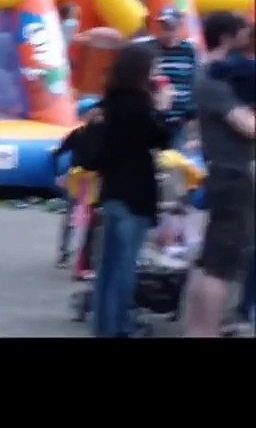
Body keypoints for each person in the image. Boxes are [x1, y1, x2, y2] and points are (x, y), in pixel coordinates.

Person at [90, 43, 172, 338]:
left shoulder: (110, 103)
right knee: (125, 266)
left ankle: (104, 326)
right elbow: (160, 139)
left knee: (108, 267)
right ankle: (120, 327)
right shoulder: (139, 105)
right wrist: (162, 108)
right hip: (134, 193)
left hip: (112, 190)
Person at [184, 11, 255, 337]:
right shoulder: (215, 81)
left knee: (209, 260)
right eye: (242, 33)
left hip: (225, 175)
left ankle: (198, 329)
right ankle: (207, 330)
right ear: (227, 38)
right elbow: (248, 127)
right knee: (221, 265)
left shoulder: (216, 76)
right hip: (233, 176)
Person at [135, 8, 198, 148]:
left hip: (179, 119)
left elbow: (193, 82)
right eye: (163, 26)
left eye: (171, 27)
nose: (167, 31)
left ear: (180, 27)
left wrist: (191, 115)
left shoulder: (189, 50)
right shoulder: (147, 48)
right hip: (152, 117)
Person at [52, 99, 101, 272]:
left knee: (93, 219)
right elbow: (59, 151)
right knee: (72, 216)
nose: (96, 114)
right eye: (92, 111)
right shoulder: (78, 134)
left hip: (94, 179)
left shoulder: (101, 134)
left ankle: (88, 255)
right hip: (79, 179)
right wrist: (59, 173)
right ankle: (65, 252)